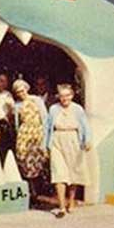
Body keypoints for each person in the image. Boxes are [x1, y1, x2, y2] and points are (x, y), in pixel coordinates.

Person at [45, 83, 92, 218]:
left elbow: (85, 126)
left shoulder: (78, 109)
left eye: (67, 95)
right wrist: (45, 145)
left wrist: (87, 140)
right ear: (58, 96)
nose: (64, 98)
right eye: (62, 96)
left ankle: (71, 201)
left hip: (73, 140)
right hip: (57, 139)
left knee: (73, 172)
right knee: (58, 172)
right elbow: (48, 127)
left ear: (71, 96)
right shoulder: (53, 109)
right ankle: (61, 207)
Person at [12, 78, 49, 205]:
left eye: (22, 90)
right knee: (24, 161)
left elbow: (44, 118)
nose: (21, 93)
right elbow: (17, 124)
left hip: (37, 133)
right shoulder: (17, 105)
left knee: (37, 162)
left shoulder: (36, 100)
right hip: (24, 134)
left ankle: (39, 193)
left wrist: (44, 136)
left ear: (26, 89)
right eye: (18, 92)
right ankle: (31, 192)